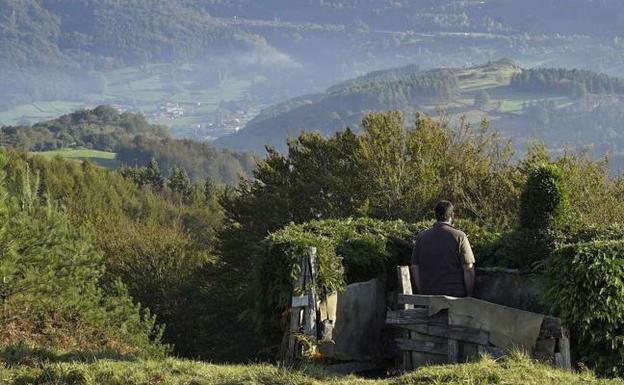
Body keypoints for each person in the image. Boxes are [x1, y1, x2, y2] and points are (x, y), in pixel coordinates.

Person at [410, 200, 475, 297]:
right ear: (452, 215)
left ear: (435, 215)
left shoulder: (422, 237)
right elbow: (468, 269)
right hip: (455, 296)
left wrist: (422, 291)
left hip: (429, 294)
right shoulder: (460, 237)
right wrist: (469, 295)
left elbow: (415, 267)